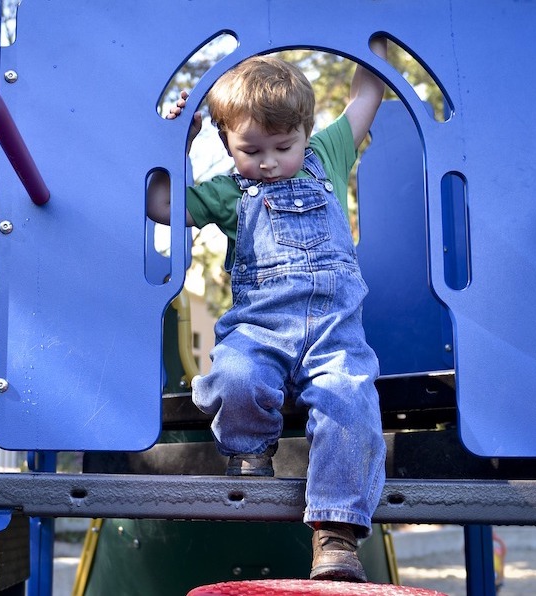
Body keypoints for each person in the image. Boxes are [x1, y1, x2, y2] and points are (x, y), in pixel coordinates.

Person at [146, 42, 388, 583]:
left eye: (284, 146)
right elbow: (162, 206)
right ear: (227, 142)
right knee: (232, 376)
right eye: (251, 150)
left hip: (334, 337)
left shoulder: (328, 153)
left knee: (352, 403)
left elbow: (367, 92)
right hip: (259, 331)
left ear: (306, 131)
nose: (270, 162)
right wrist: (173, 141)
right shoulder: (229, 192)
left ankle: (336, 534)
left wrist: (374, 38)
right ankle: (250, 453)